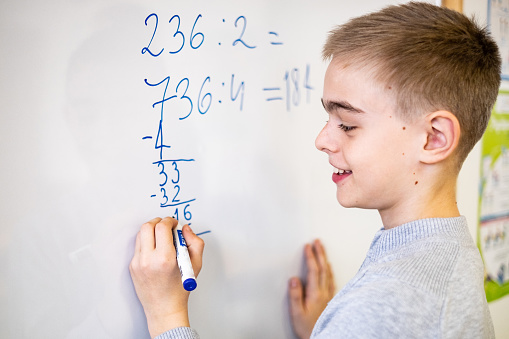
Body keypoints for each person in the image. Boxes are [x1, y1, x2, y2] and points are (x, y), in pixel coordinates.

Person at [129, 2, 501, 338]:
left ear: (434, 138)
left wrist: (166, 315)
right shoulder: (451, 255)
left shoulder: (382, 306)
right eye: (328, 118)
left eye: (348, 125)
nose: (322, 140)